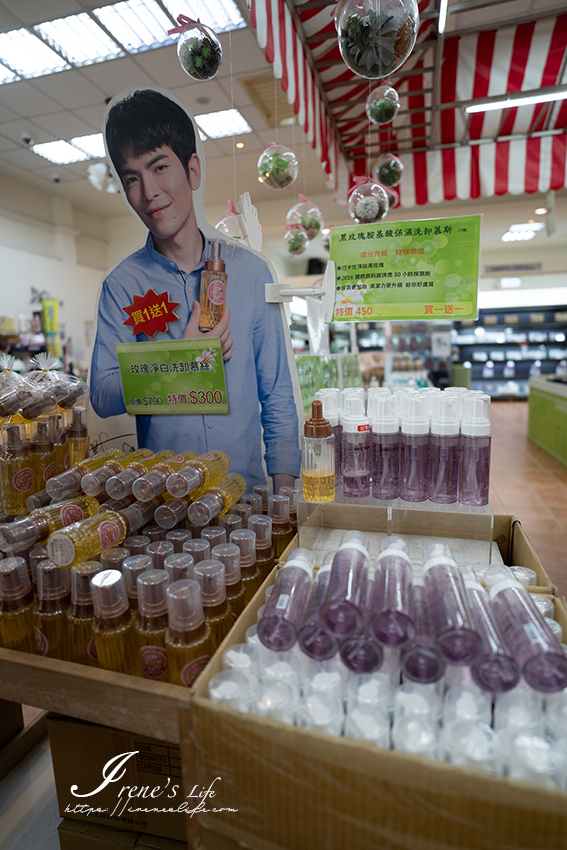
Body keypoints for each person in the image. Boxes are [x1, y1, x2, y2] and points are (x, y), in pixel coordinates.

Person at [90, 88, 301, 492]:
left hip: (245, 498)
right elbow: (102, 393)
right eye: (132, 178)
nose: (148, 191)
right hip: (162, 506)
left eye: (159, 167)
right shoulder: (121, 285)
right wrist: (178, 358)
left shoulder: (253, 274)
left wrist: (285, 498)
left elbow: (277, 396)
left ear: (193, 170)